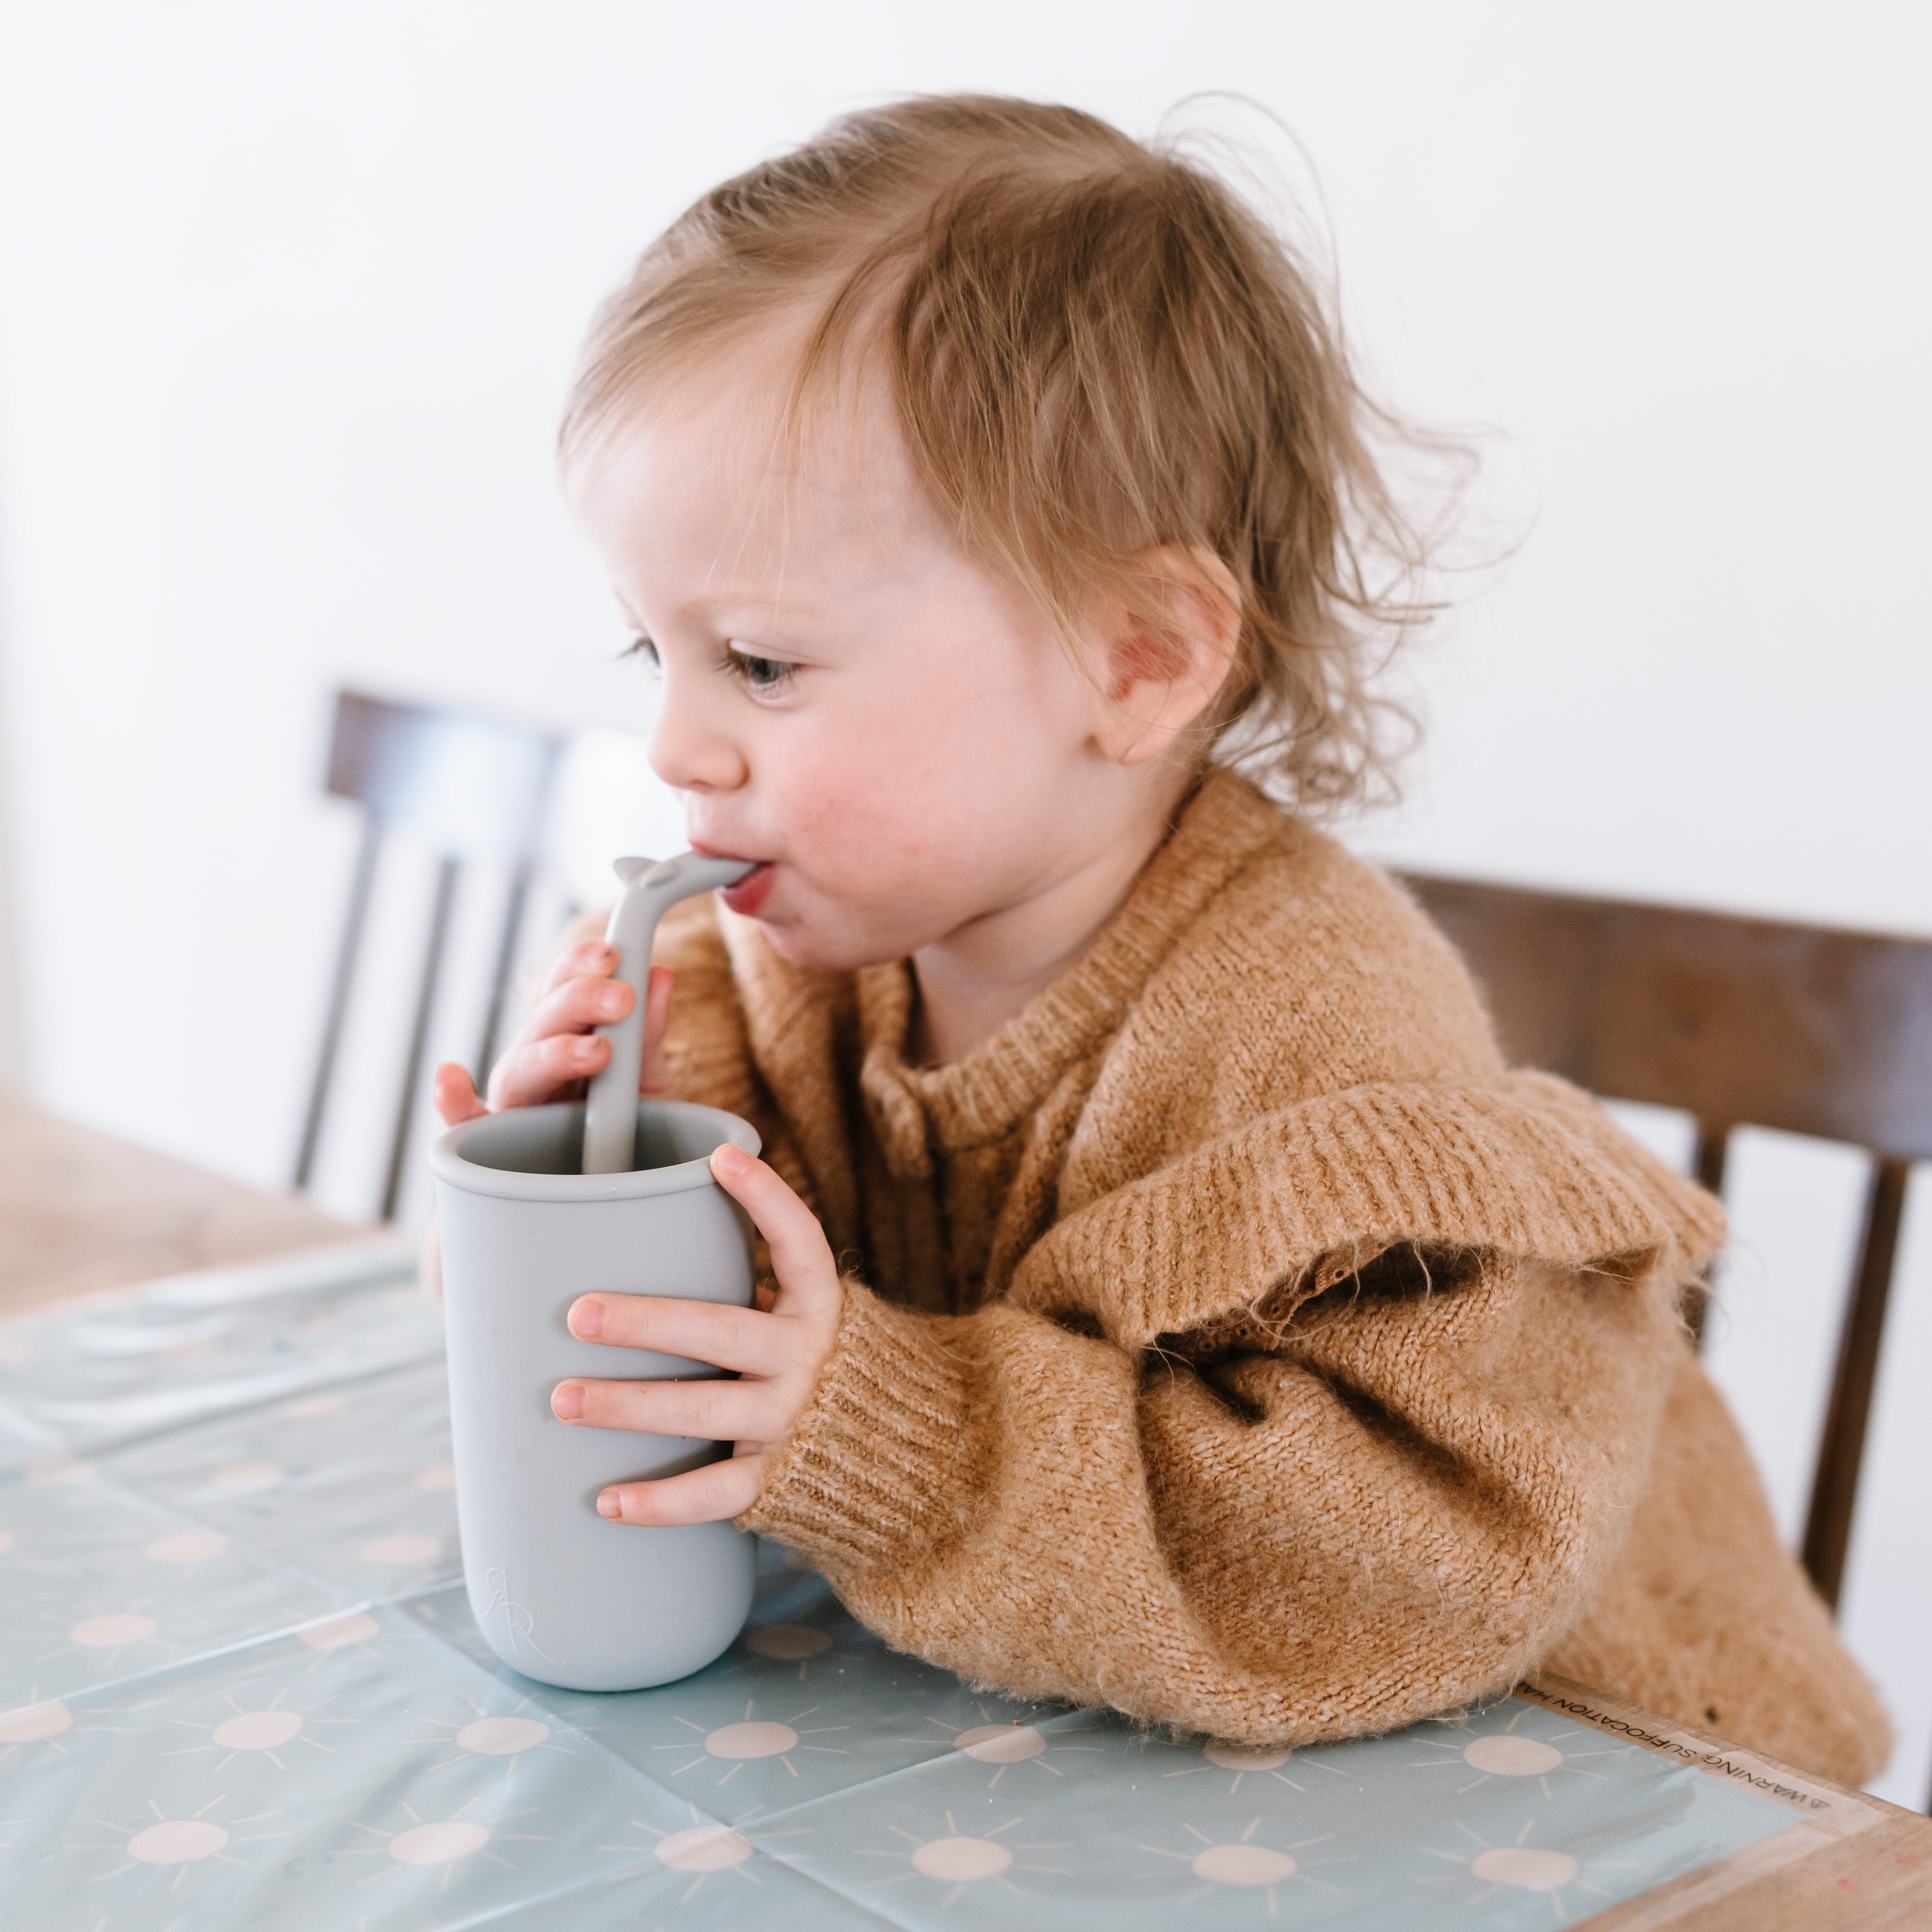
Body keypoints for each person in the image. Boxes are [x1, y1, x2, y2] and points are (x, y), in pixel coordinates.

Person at [432, 95, 1887, 1784]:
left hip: (1621, 1777)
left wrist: (902, 1439)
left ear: (1137, 658)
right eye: (651, 656)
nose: (679, 748)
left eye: (760, 663)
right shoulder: (748, 981)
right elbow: (643, 1406)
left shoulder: (1313, 1026)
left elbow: (1401, 1576)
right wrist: (564, 1192)